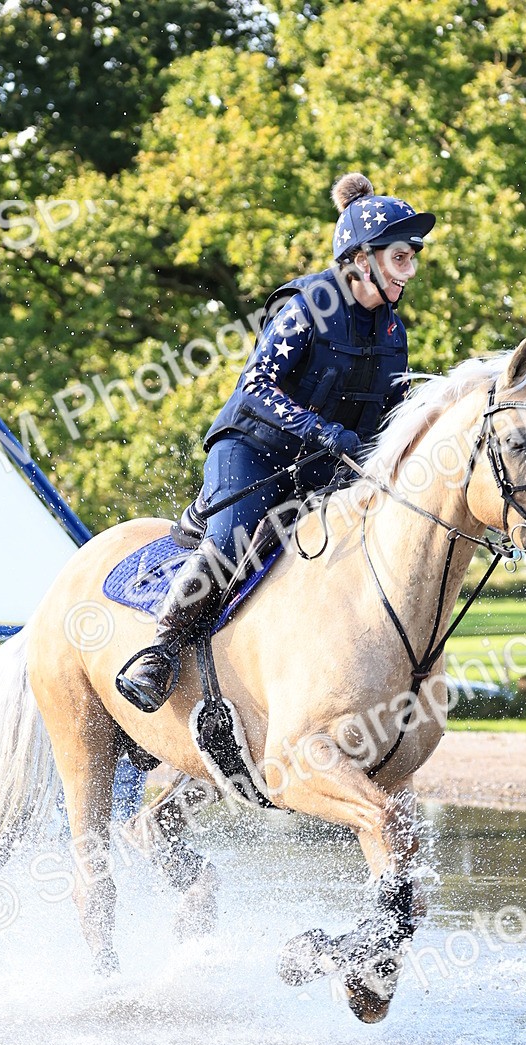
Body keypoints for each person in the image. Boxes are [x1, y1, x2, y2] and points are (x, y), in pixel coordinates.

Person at [116, 172, 436, 713]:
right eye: (400, 258)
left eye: (411, 259)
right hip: (253, 449)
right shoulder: (309, 305)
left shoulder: (393, 332)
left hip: (322, 468)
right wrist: (322, 431)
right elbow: (257, 385)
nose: (409, 270)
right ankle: (161, 652)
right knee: (234, 540)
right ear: (362, 259)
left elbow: (389, 415)